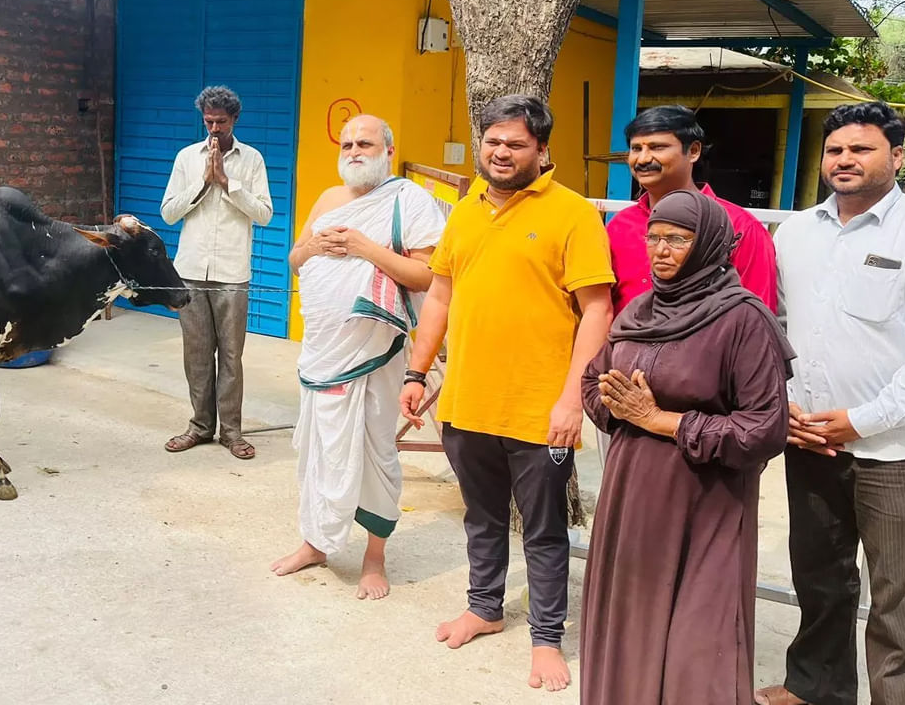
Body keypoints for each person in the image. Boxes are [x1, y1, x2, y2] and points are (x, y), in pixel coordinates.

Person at [400, 94, 614, 692]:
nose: (501, 152)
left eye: (516, 143)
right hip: (466, 400)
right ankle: (485, 608)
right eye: (493, 141)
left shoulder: (573, 214)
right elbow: (440, 295)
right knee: (482, 517)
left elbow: (597, 310)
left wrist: (572, 399)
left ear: (542, 151)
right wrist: (418, 374)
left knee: (544, 531)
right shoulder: (464, 210)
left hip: (537, 408)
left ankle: (546, 639)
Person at [580, 189, 794, 704]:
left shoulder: (743, 320)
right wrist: (617, 407)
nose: (660, 250)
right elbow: (593, 383)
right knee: (632, 622)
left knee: (700, 640)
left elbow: (765, 428)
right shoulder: (638, 311)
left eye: (677, 239)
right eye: (653, 237)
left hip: (707, 500)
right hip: (632, 496)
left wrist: (662, 421)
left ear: (712, 245)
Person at [755, 102, 905, 705]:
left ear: (896, 157)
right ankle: (818, 688)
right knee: (820, 578)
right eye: (835, 151)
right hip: (811, 439)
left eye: (862, 149)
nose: (844, 160)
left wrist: (861, 420)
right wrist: (788, 406)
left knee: (900, 594)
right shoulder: (795, 233)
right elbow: (781, 325)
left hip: (896, 449)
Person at [270, 115, 444, 600]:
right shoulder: (328, 198)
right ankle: (316, 543)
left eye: (364, 142)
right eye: (347, 143)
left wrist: (365, 248)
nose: (354, 150)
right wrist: (312, 246)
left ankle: (373, 558)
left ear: (388, 148)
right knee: (318, 447)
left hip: (374, 352)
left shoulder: (409, 200)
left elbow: (428, 276)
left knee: (374, 452)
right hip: (321, 349)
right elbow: (294, 258)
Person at [160, 85, 273, 460]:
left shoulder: (252, 160)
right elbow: (169, 212)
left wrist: (228, 182)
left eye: (220, 123)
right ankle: (199, 426)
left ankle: (232, 432)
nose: (213, 129)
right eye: (208, 121)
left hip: (231, 272)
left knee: (230, 355)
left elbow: (264, 213)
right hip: (190, 269)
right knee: (195, 354)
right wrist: (204, 181)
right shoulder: (186, 157)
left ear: (234, 120)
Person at [608, 105, 777, 314]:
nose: (642, 159)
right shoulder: (620, 226)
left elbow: (756, 319)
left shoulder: (740, 228)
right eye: (636, 149)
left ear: (694, 151)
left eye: (657, 147)